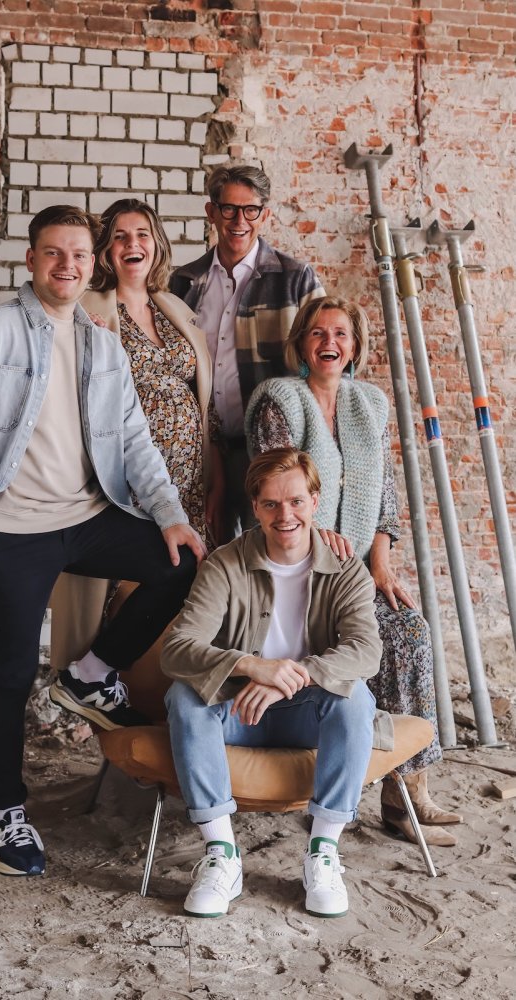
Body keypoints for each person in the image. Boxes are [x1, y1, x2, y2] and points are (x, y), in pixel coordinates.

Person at [0, 205, 205, 878]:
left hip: (86, 516)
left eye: (80, 254)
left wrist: (168, 513)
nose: (67, 265)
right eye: (54, 253)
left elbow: (134, 439)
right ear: (31, 261)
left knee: (180, 562)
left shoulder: (102, 344)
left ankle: (89, 674)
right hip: (9, 531)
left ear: (93, 262)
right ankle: (5, 816)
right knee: (12, 671)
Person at [245, 295, 462, 847]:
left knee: (408, 631)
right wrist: (315, 537)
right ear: (300, 344)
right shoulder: (279, 400)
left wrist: (380, 566)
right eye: (318, 333)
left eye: (341, 334)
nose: (330, 343)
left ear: (356, 346)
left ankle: (405, 792)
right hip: (292, 570)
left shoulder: (370, 403)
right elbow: (276, 488)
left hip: (356, 574)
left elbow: (385, 496)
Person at [161, 447, 387, 919]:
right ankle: (222, 855)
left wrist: (292, 677)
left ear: (315, 501)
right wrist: (252, 666)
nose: (285, 515)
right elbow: (177, 649)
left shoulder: (345, 567)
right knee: (184, 697)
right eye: (271, 504)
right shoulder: (225, 564)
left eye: (296, 501)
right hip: (239, 712)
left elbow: (366, 650)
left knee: (355, 699)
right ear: (256, 508)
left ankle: (323, 853)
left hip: (309, 716)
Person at [169, 163, 325, 539]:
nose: (239, 220)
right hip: (203, 452)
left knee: (272, 550)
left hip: (273, 451)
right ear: (211, 212)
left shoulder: (295, 279)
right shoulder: (184, 282)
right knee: (209, 550)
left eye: (251, 210)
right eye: (229, 209)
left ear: (264, 215)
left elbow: (329, 367)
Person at [81, 197, 222, 543]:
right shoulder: (86, 311)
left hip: (190, 476)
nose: (133, 244)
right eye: (120, 236)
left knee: (184, 565)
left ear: (156, 244)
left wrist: (216, 476)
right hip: (127, 475)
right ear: (105, 249)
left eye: (142, 234)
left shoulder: (174, 307)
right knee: (128, 566)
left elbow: (204, 401)